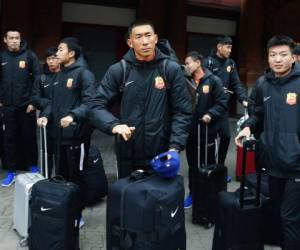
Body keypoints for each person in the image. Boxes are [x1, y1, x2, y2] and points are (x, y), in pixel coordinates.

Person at [89, 19, 192, 178]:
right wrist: (114, 126)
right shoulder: (119, 70)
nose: (144, 41)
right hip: (128, 152)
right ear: (130, 42)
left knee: (159, 200)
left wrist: (174, 147)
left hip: (162, 152)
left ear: (155, 39)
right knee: (129, 199)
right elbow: (96, 105)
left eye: (148, 35)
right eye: (138, 37)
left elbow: (182, 111)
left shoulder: (169, 69)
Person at [236, 35, 300, 250]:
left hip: (297, 165)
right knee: (276, 212)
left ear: (293, 58)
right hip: (272, 163)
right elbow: (258, 115)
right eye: (273, 55)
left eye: (283, 55)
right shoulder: (263, 84)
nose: (278, 59)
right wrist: (248, 127)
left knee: (289, 217)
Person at [183, 51, 227, 208]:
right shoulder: (185, 81)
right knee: (193, 166)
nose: (186, 66)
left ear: (198, 63)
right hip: (191, 132)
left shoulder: (214, 81)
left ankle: (209, 195)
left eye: (188, 63)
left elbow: (222, 103)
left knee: (208, 165)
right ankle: (193, 194)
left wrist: (210, 113)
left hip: (208, 132)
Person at [0, 28, 41, 187]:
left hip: (26, 106)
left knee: (29, 136)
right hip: (8, 106)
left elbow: (37, 79)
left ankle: (33, 167)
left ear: (20, 39)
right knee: (9, 139)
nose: (14, 41)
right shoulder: (2, 57)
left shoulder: (30, 56)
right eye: (11, 38)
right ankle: (11, 171)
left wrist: (33, 101)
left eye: (17, 38)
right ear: (5, 40)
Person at [203, 35, 248, 165]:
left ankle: (220, 166)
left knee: (226, 136)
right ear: (219, 47)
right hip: (209, 107)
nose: (230, 50)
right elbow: (202, 84)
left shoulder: (231, 63)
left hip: (222, 108)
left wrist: (243, 100)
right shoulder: (208, 62)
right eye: (227, 47)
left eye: (231, 47)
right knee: (210, 139)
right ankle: (210, 166)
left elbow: (236, 84)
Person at [32, 47, 60, 176]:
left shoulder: (65, 76)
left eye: (54, 58)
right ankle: (45, 179)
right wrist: (50, 103)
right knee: (46, 153)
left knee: (60, 154)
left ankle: (60, 180)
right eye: (49, 58)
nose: (51, 61)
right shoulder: (41, 78)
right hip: (46, 121)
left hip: (61, 120)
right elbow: (35, 98)